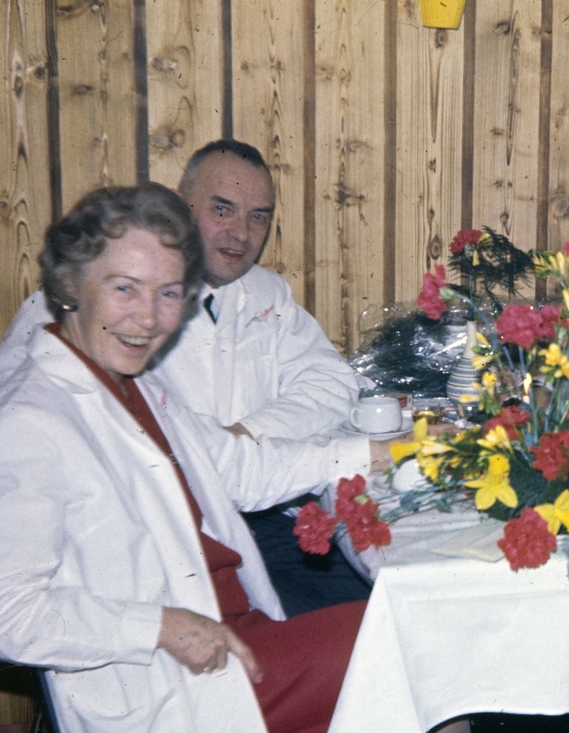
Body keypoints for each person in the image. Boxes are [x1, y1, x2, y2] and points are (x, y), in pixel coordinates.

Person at [0, 184, 386, 733]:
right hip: (168, 679)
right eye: (124, 288)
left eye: (168, 294)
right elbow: (11, 614)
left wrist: (386, 450)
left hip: (237, 636)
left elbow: (246, 471)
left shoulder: (139, 385)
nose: (148, 318)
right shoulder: (31, 419)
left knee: (374, 718)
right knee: (399, 636)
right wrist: (159, 626)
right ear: (71, 287)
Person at [0, 140, 372, 617]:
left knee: (379, 606)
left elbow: (331, 385)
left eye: (258, 216)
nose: (239, 232)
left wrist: (244, 436)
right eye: (222, 209)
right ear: (182, 204)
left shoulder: (265, 293)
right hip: (154, 543)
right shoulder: (81, 313)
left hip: (264, 514)